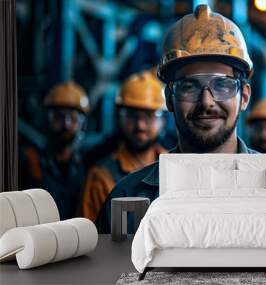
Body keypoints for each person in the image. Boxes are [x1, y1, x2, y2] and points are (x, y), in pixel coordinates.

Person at [95, 4, 256, 233]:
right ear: (169, 99)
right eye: (189, 86)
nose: (207, 102)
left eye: (222, 85)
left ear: (244, 97)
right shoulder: (126, 199)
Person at [80, 71, 167, 221]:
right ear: (119, 118)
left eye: (148, 115)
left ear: (163, 121)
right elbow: (91, 239)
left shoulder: (174, 166)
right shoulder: (101, 177)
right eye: (132, 115)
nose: (140, 124)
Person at [19, 81, 89, 220]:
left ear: (83, 125)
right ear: (47, 120)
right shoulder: (29, 159)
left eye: (73, 119)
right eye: (58, 117)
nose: (66, 125)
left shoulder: (86, 164)